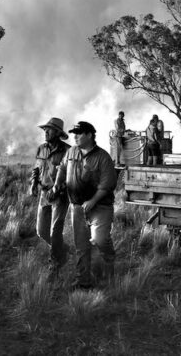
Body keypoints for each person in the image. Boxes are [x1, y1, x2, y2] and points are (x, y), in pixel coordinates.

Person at [52, 121, 118, 289]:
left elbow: (107, 185)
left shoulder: (102, 157)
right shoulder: (71, 152)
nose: (75, 136)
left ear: (89, 135)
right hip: (77, 207)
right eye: (74, 133)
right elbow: (62, 168)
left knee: (99, 239)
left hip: (100, 207)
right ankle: (83, 281)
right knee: (81, 246)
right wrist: (57, 183)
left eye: (79, 133)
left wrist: (93, 201)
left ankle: (109, 260)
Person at [28, 117, 71, 271]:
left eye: (49, 129)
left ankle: (55, 264)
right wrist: (33, 182)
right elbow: (37, 168)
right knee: (41, 231)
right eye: (45, 129)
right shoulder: (41, 149)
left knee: (55, 230)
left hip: (60, 196)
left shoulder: (68, 151)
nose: (45, 132)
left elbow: (71, 176)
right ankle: (63, 249)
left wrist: (57, 189)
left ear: (58, 132)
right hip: (44, 194)